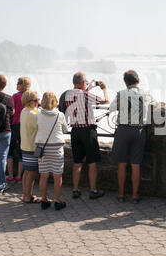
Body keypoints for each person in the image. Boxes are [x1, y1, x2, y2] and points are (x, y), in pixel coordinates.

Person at [109, 70, 157, 204]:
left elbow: (111, 109)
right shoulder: (146, 94)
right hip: (139, 130)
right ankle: (135, 196)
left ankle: (121, 194)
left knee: (122, 164)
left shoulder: (121, 94)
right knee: (136, 165)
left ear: (125, 82)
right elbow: (156, 105)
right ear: (138, 80)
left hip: (123, 130)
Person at [64, 72, 109, 200]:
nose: (87, 84)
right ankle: (93, 190)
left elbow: (80, 96)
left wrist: (88, 88)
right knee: (92, 162)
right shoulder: (85, 95)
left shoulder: (68, 94)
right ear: (81, 83)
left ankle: (75, 189)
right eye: (86, 82)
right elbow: (105, 100)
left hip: (75, 131)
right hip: (88, 131)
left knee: (77, 162)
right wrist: (104, 88)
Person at [36, 92, 69, 210]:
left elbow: (36, 128)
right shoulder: (60, 115)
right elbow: (65, 129)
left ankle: (44, 200)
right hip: (56, 148)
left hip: (43, 148)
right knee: (57, 176)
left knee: (43, 176)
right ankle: (57, 201)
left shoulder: (38, 115)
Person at [7, 77, 31, 183]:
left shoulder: (15, 96)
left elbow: (11, 111)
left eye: (18, 83)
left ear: (23, 85)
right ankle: (19, 177)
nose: (17, 85)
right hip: (26, 127)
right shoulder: (30, 97)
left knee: (10, 151)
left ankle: (11, 175)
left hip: (15, 125)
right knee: (22, 151)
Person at [19, 90, 40, 203]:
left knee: (26, 172)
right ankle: (28, 196)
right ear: (29, 101)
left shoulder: (24, 111)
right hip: (32, 146)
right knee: (31, 173)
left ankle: (25, 194)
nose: (38, 102)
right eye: (35, 100)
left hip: (25, 145)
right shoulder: (33, 114)